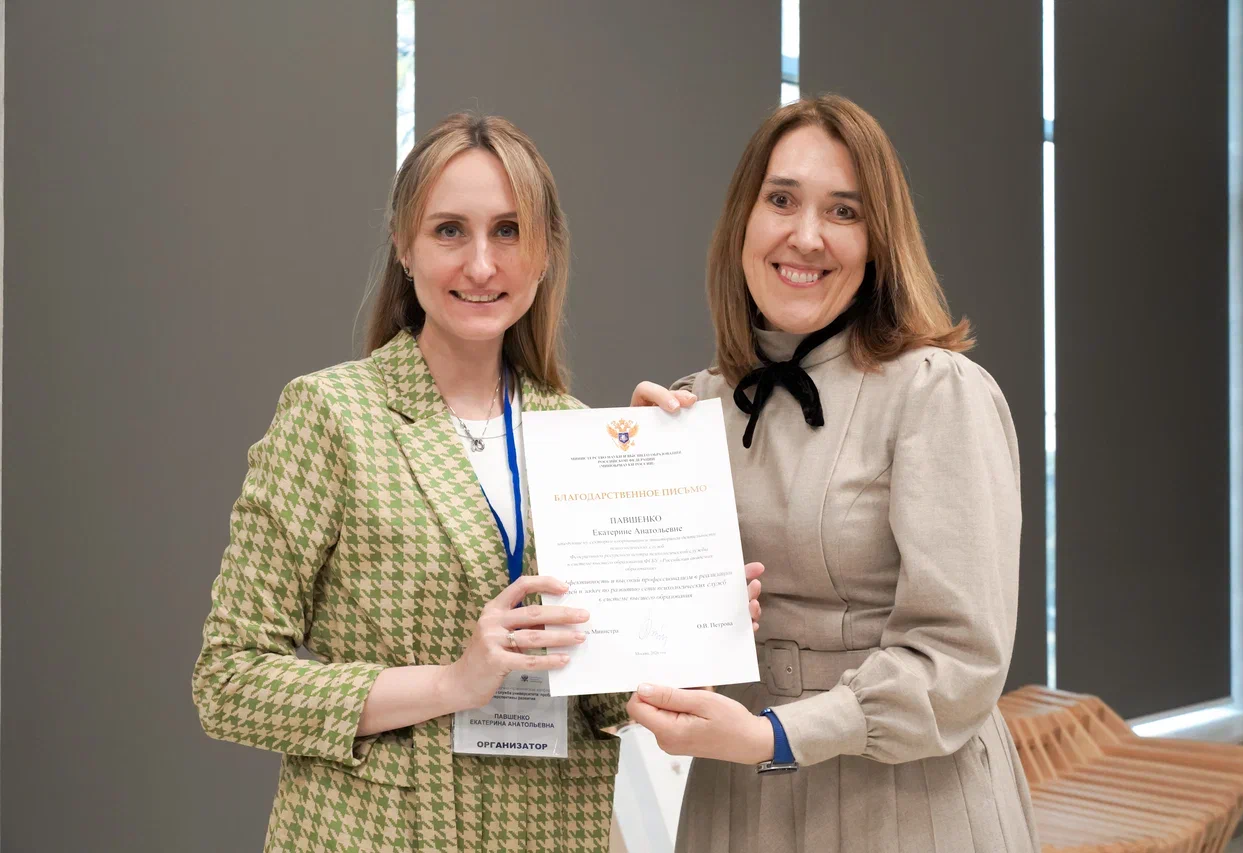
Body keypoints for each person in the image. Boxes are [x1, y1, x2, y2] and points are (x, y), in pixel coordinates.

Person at [192, 112, 763, 853]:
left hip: (550, 829)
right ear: (404, 245)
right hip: (377, 834)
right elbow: (228, 681)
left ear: (545, 252)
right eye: (449, 231)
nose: (482, 265)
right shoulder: (331, 415)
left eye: (508, 231)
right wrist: (451, 683)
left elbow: (607, 701)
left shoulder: (577, 435)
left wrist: (693, 615)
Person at [626, 94, 1040, 852]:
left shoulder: (937, 392)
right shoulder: (693, 407)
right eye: (782, 200)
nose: (806, 236)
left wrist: (775, 735)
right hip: (735, 799)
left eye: (843, 211)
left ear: (878, 242)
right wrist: (635, 481)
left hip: (906, 801)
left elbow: (960, 661)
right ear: (743, 222)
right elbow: (657, 644)